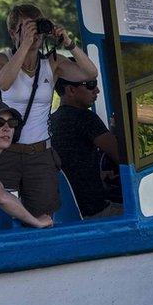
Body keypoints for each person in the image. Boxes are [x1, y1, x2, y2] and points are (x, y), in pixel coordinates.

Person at [0, 4, 98, 221]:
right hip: (6, 151)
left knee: (44, 217)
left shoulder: (52, 62)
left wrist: (70, 44)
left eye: (37, 26)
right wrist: (24, 46)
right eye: (27, 28)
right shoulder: (0, 59)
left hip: (39, 153)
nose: (34, 33)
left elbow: (90, 72)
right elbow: (4, 83)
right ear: (13, 33)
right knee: (2, 216)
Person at [49, 62, 123, 219]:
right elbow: (123, 157)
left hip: (73, 211)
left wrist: (98, 174)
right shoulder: (85, 118)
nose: (97, 90)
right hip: (96, 212)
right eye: (90, 84)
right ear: (71, 90)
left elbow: (71, 164)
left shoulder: (51, 120)